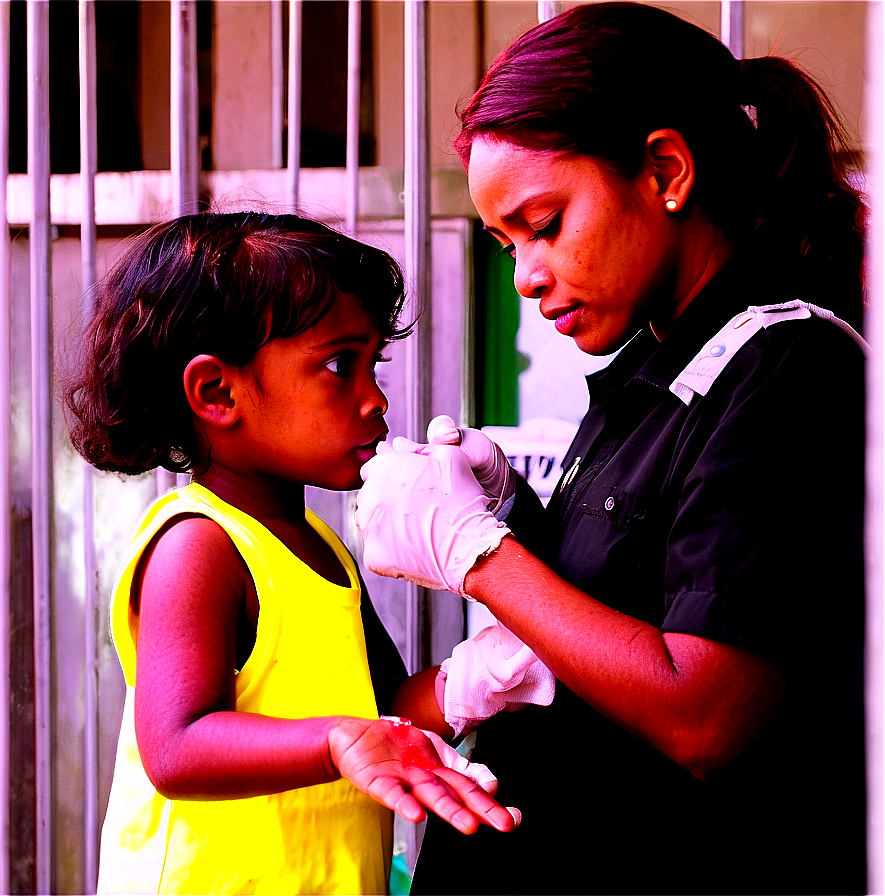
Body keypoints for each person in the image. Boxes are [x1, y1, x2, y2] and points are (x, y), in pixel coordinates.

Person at [353, 4, 868, 894]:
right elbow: (630, 592)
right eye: (505, 243)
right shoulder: (657, 368)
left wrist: (474, 552)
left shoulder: (788, 366)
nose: (526, 276)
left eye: (544, 223)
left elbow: (705, 713)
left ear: (665, 171)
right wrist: (509, 505)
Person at [63, 212, 520, 895]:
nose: (375, 399)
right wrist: (337, 741)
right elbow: (177, 745)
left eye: (374, 364)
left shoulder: (324, 549)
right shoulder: (201, 546)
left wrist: (483, 677)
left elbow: (385, 706)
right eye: (340, 366)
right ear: (219, 392)